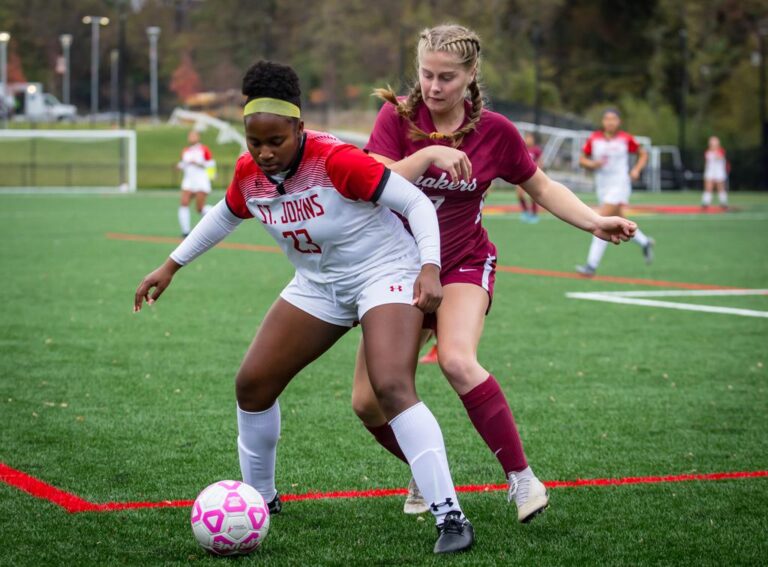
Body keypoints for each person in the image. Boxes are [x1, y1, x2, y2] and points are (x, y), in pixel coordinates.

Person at [135, 60, 474, 554]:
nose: (265, 153)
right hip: (319, 284)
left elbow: (416, 205)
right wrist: (171, 265)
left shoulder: (337, 159)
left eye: (276, 141)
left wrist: (429, 267)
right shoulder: (249, 171)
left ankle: (451, 517)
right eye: (255, 142)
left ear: (299, 127)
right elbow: (225, 215)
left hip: (386, 273)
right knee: (253, 383)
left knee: (391, 385)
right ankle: (262, 501)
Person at [350, 25, 637, 521]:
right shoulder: (397, 116)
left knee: (457, 360)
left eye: (447, 77)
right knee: (367, 404)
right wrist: (428, 153)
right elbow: (371, 178)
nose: (434, 87)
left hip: (463, 261)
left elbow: (543, 188)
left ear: (470, 75)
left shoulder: (497, 132)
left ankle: (523, 481)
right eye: (426, 75)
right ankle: (425, 469)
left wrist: (594, 221)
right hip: (398, 268)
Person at [576, 108, 652, 276]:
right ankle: (645, 242)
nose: (610, 122)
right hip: (602, 186)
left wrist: (636, 170)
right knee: (620, 221)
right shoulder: (594, 139)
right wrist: (592, 164)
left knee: (602, 221)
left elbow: (643, 154)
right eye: (607, 119)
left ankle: (591, 265)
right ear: (603, 121)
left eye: (614, 119)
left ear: (619, 122)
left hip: (620, 185)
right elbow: (582, 159)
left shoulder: (626, 139)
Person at [177, 130, 215, 237]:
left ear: (198, 137)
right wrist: (179, 166)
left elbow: (211, 163)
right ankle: (185, 231)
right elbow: (183, 163)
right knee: (184, 203)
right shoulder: (185, 150)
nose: (191, 137)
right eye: (190, 135)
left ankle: (220, 216)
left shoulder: (204, 149)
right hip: (188, 181)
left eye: (193, 135)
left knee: (200, 208)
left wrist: (199, 163)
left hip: (201, 181)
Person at [518, 132, 543, 223]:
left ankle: (534, 214)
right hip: (521, 175)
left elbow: (540, 162)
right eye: (527, 137)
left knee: (533, 195)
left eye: (530, 138)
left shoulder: (536, 150)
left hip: (532, 176)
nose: (528, 139)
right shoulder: (523, 148)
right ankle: (525, 212)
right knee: (520, 194)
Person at [702, 135, 728, 209]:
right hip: (710, 171)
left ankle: (723, 202)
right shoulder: (707, 152)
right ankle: (706, 203)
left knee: (720, 187)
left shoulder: (721, 151)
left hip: (719, 171)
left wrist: (715, 151)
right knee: (708, 187)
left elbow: (720, 157)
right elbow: (707, 161)